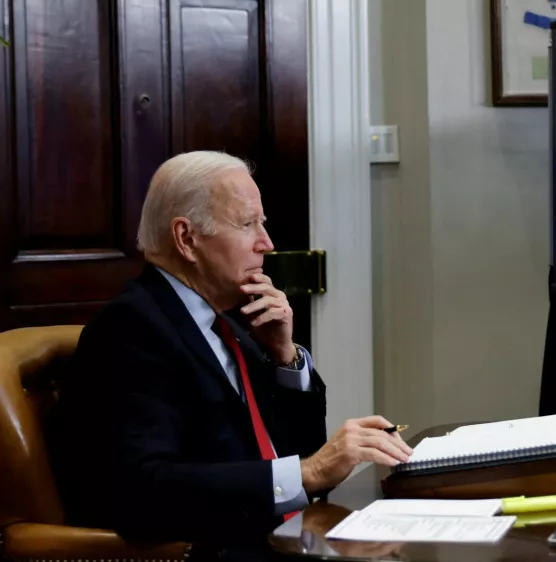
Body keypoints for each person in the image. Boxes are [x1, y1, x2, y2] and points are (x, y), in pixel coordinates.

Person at [48, 151, 411, 549]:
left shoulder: (231, 322)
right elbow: (143, 488)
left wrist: (284, 356)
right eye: (247, 224)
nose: (267, 243)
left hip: (289, 537)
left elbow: (298, 454)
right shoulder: (131, 331)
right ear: (187, 238)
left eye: (263, 223)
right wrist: (310, 472)